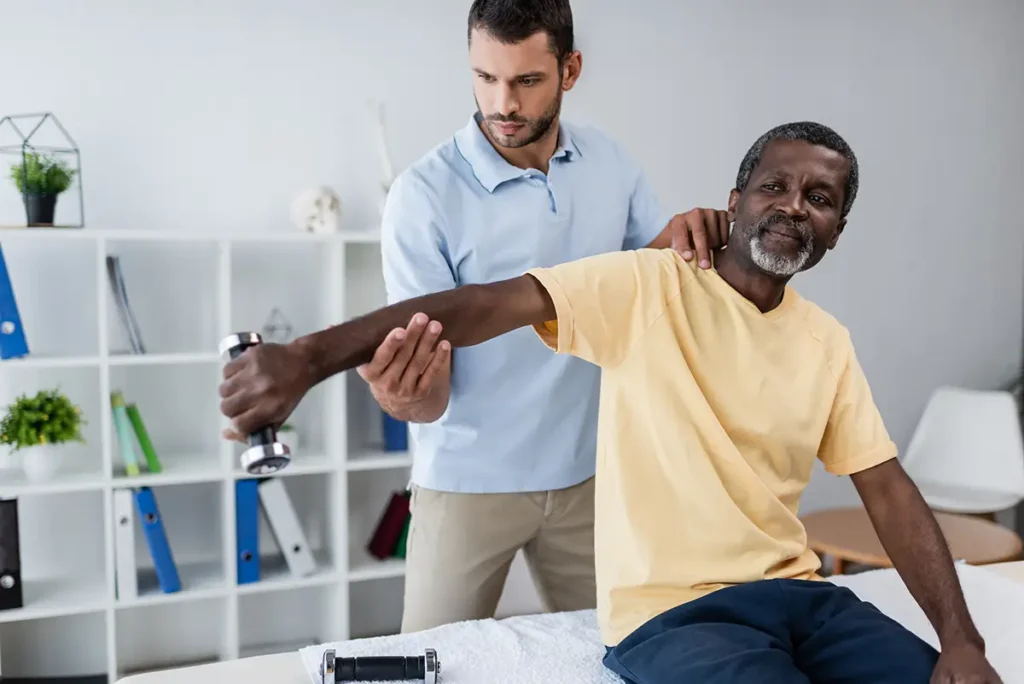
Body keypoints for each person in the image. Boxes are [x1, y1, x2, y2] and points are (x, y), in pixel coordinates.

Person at [219, 120, 1001, 683]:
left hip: (802, 599)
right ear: (734, 201)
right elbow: (482, 304)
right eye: (776, 186)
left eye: (820, 198)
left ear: (837, 230)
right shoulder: (648, 285)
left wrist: (963, 638)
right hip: (676, 615)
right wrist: (306, 358)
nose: (795, 206)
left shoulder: (826, 342)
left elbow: (887, 488)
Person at [345, 0, 726, 632]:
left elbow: (653, 296)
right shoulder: (422, 195)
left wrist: (692, 238)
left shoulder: (611, 165)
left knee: (627, 650)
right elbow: (427, 396)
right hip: (467, 482)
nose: (503, 104)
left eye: (527, 80)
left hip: (589, 473)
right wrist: (402, 396)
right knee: (436, 663)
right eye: (485, 77)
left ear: (570, 70)